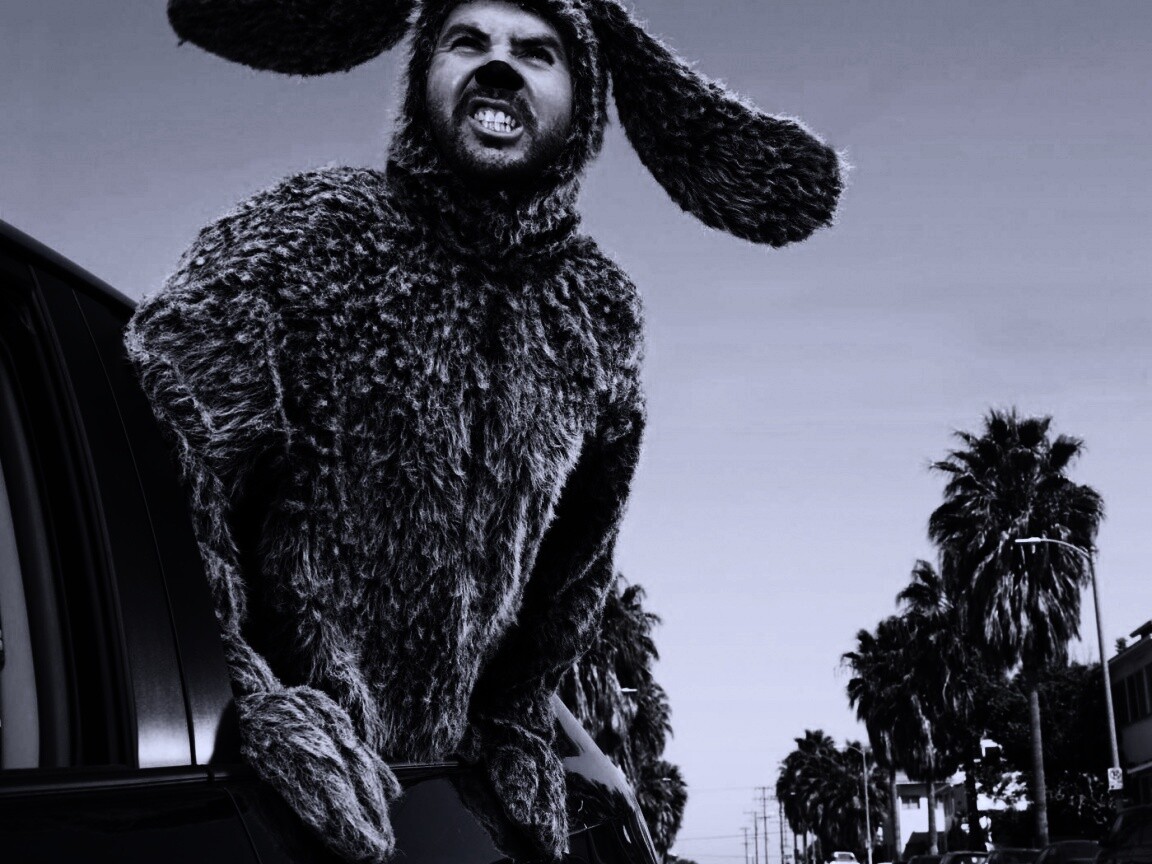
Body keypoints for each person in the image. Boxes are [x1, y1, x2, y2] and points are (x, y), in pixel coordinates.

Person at [126, 1, 843, 861]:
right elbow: (156, 453)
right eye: (467, 41)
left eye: (536, 52)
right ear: (422, 73)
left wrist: (514, 720)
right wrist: (251, 700)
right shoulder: (301, 236)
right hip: (257, 799)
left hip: (444, 811)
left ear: (584, 101)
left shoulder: (598, 316)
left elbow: (578, 563)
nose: (497, 65)